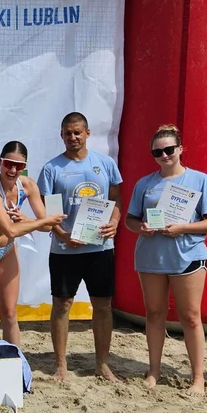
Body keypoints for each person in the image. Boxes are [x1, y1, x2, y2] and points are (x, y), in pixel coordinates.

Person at [123, 125, 207, 395]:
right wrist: (140, 227)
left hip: (187, 255)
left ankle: (198, 378)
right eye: (158, 151)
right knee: (154, 315)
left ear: (180, 149)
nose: (164, 155)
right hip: (151, 256)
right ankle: (153, 371)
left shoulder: (200, 180)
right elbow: (130, 219)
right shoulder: (145, 183)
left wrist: (183, 228)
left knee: (190, 317)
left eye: (169, 149)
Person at [37, 111, 123, 381]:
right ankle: (61, 365)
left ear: (87, 133)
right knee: (62, 304)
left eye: (77, 132)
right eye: (67, 133)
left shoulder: (105, 164)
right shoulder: (52, 169)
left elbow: (116, 200)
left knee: (103, 305)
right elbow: (48, 212)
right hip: (65, 249)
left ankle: (102, 364)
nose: (72, 137)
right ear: (61, 135)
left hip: (100, 249)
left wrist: (115, 223)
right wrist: (62, 235)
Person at [0, 141, 64, 348]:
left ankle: (15, 363)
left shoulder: (27, 185)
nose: (12, 170)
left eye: (18, 166)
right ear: (0, 162)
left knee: (10, 313)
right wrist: (42, 221)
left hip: (6, 250)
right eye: (8, 164)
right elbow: (12, 229)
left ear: (24, 166)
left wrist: (28, 220)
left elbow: (45, 227)